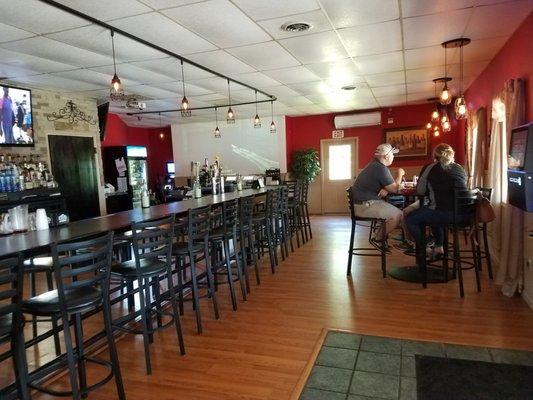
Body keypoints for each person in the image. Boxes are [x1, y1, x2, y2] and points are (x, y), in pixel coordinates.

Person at [405, 143, 468, 260]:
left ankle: (427, 247)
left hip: (442, 213)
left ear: (435, 156)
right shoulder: (460, 168)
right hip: (463, 215)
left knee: (411, 218)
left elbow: (420, 190)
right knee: (433, 213)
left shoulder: (430, 168)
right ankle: (439, 247)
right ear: (451, 155)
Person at [351, 143, 405, 241]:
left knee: (398, 213)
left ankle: (379, 238)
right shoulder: (380, 168)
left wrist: (385, 188)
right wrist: (400, 174)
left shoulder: (374, 165)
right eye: (392, 155)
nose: (393, 157)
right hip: (364, 206)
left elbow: (388, 187)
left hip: (361, 204)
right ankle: (378, 240)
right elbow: (395, 189)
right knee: (399, 215)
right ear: (386, 156)